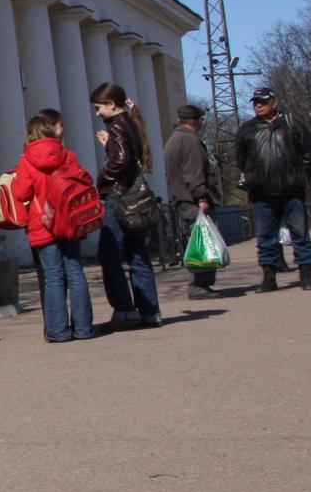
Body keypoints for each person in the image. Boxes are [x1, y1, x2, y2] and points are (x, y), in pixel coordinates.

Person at [12, 110, 96, 342]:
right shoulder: (68, 155)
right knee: (76, 272)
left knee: (53, 276)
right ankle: (83, 329)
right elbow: (83, 181)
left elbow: (21, 192)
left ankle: (58, 331)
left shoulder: (27, 159)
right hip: (70, 219)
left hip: (43, 222)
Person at [87, 82, 163, 328]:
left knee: (109, 253)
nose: (97, 113)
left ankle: (124, 310)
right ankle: (149, 310)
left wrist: (101, 179)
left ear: (112, 104)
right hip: (133, 196)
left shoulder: (117, 126)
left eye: (99, 108)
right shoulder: (131, 123)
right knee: (137, 253)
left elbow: (121, 160)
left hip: (118, 196)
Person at [234, 85, 311, 291]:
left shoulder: (292, 124)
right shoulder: (247, 129)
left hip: (292, 190)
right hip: (262, 192)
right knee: (265, 237)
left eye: (263, 101)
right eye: (255, 102)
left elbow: (309, 153)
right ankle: (269, 278)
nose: (258, 105)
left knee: (300, 234)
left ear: (275, 103)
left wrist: (300, 177)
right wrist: (254, 177)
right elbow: (241, 159)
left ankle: (306, 275)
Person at [163, 104, 221, 299]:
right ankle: (199, 285)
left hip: (181, 198)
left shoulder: (173, 140)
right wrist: (202, 197)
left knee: (194, 240)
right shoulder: (190, 141)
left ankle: (199, 284)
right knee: (202, 242)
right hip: (193, 199)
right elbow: (194, 173)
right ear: (196, 121)